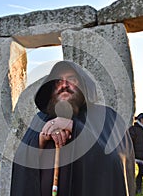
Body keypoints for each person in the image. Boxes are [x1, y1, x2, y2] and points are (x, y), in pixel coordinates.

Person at [10, 60, 135, 196]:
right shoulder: (40, 119)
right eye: (58, 81)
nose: (64, 85)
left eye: (71, 79)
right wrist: (40, 140)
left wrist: (74, 128)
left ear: (83, 85)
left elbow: (115, 162)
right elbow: (21, 162)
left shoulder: (106, 117)